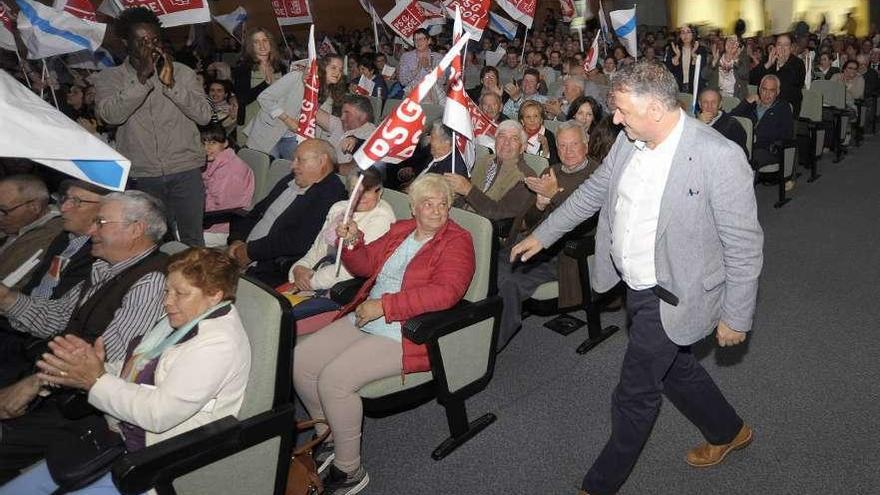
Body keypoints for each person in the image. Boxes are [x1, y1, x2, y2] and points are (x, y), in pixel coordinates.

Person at [511, 61, 763, 495]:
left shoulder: (718, 156)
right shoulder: (629, 141)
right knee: (674, 369)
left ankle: (599, 485)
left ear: (656, 108)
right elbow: (594, 193)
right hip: (637, 285)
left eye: (624, 109)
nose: (617, 119)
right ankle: (729, 431)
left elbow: (744, 244)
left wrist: (736, 316)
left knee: (634, 392)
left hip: (677, 292)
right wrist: (544, 233)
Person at [0, 247, 251, 495]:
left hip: (152, 461)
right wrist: (84, 367)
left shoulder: (218, 345)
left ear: (215, 296)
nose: (167, 302)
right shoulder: (183, 319)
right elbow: (138, 367)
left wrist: (95, 379)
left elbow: (158, 414)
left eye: (180, 293)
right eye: (167, 291)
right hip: (117, 437)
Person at [293, 174, 474, 495]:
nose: (436, 211)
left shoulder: (457, 240)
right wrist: (353, 241)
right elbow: (364, 265)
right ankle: (329, 435)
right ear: (414, 209)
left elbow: (446, 293)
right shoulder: (401, 230)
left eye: (443, 204)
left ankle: (350, 470)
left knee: (334, 380)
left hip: (408, 332)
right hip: (369, 316)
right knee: (301, 361)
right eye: (428, 204)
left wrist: (384, 306)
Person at [0, 191, 168, 483]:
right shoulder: (104, 267)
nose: (91, 230)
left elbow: (110, 361)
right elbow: (56, 318)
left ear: (136, 229)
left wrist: (34, 384)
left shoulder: (151, 281)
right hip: (56, 383)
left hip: (84, 410)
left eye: (101, 223)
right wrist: (5, 298)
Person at [91, 7, 212, 247]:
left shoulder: (183, 73)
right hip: (144, 175)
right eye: (142, 40)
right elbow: (110, 116)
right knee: (153, 243)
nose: (150, 45)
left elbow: (204, 116)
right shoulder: (110, 78)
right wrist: (141, 81)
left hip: (185, 170)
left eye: (154, 39)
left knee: (192, 240)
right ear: (126, 42)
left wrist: (171, 86)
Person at [496, 122, 599, 349]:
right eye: (562, 145)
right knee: (486, 267)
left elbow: (583, 222)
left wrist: (553, 196)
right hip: (533, 245)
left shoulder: (596, 177)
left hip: (564, 255)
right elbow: (528, 222)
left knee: (510, 282)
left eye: (574, 145)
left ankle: (486, 350)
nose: (568, 151)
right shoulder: (551, 172)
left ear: (586, 145)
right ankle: (476, 329)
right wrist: (540, 205)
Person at [227, 139, 347, 287]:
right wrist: (237, 240)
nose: (293, 165)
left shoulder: (331, 193)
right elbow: (256, 212)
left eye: (300, 160)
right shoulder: (291, 180)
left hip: (268, 269)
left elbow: (298, 240)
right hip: (242, 254)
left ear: (322, 161)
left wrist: (250, 252)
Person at [284, 168, 395, 327]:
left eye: (367, 191)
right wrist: (300, 268)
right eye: (355, 190)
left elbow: (351, 271)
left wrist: (310, 282)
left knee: (280, 320)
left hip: (339, 292)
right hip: (312, 277)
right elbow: (318, 248)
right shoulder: (339, 208)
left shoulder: (382, 218)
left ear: (380, 191)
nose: (360, 197)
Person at [243, 54, 345, 160]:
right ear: (322, 67)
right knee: (266, 168)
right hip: (269, 131)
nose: (337, 73)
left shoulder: (328, 94)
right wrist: (287, 120)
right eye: (333, 67)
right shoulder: (296, 76)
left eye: (341, 70)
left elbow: (316, 121)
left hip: (293, 136)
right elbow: (264, 98)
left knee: (295, 168)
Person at [444, 120, 537, 222]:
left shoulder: (526, 177)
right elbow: (465, 197)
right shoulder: (484, 160)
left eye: (514, 139)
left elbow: (500, 215)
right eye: (502, 136)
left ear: (522, 147)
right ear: (495, 141)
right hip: (458, 218)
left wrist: (468, 190)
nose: (506, 143)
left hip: (484, 229)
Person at [0, 175, 62, 290]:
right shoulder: (17, 225)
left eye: (3, 210)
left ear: (34, 207)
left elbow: (10, 285)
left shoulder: (50, 237)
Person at [200, 124, 256, 248]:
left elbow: (225, 206)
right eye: (203, 143)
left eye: (213, 143)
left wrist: (192, 213)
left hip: (222, 227)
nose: (207, 148)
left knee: (176, 234)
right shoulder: (210, 163)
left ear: (225, 143)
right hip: (207, 220)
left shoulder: (232, 170)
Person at [729, 74, 794, 169]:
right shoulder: (752, 105)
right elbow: (730, 119)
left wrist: (757, 138)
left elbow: (787, 134)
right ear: (759, 89)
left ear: (778, 92)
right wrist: (746, 102)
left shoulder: (783, 108)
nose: (767, 94)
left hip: (768, 150)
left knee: (748, 159)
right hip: (745, 145)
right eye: (764, 89)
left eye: (771, 90)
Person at [232, 28, 288, 130]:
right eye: (256, 42)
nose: (262, 45)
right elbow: (242, 99)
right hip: (251, 124)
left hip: (277, 123)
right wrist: (265, 84)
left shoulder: (280, 67)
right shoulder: (243, 68)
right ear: (251, 46)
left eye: (265, 40)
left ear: (270, 43)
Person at [315, 95, 377, 176]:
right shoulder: (340, 124)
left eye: (347, 113)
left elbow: (352, 170)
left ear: (362, 117)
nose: (342, 117)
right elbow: (313, 110)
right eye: (342, 113)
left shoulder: (372, 135)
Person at [394, 122, 470, 189]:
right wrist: (410, 172)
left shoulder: (453, 170)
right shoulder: (431, 149)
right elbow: (416, 161)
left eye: (432, 137)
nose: (429, 140)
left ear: (446, 142)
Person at [751, 33, 805, 116]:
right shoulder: (768, 59)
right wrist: (768, 64)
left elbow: (792, 86)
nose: (782, 48)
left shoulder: (798, 63)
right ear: (775, 46)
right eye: (779, 44)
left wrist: (783, 65)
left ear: (791, 47)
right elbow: (752, 79)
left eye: (786, 45)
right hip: (764, 106)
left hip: (786, 108)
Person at [398, 29, 444, 104]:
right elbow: (403, 81)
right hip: (412, 98)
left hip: (432, 99)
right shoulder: (406, 57)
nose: (418, 42)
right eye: (415, 39)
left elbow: (442, 81)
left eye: (421, 39)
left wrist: (428, 68)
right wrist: (417, 70)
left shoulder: (437, 57)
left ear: (429, 41)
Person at [697, 88, 748, 156]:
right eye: (705, 102)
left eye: (713, 102)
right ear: (700, 104)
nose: (709, 107)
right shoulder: (692, 124)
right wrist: (698, 125)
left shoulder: (732, 125)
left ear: (720, 104)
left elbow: (740, 156)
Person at [705, 35, 750, 99]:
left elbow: (744, 75)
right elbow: (704, 75)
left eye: (734, 42)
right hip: (717, 96)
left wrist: (736, 60)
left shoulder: (743, 59)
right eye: (729, 41)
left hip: (735, 97)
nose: (731, 44)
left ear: (739, 47)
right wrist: (714, 62)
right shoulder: (717, 57)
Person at [666, 24, 707, 93]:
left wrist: (694, 54)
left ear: (693, 34)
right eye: (682, 32)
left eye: (688, 32)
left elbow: (703, 71)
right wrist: (677, 57)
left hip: (695, 86)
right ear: (679, 35)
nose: (685, 35)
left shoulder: (700, 49)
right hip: (678, 86)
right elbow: (668, 69)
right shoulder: (674, 49)